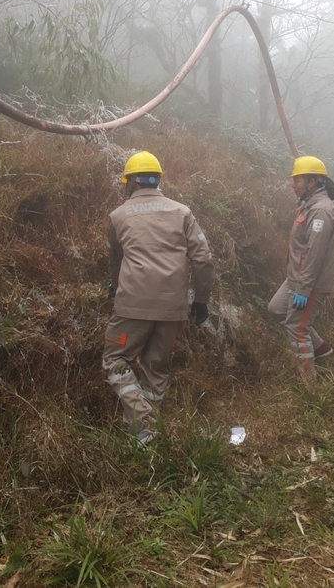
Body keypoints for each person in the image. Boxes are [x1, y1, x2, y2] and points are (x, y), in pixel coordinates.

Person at [103, 151, 215, 447]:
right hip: (173, 308)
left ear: (129, 183)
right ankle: (145, 440)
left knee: (115, 360)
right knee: (156, 368)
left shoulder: (118, 216)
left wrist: (116, 288)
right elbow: (203, 260)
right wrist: (201, 300)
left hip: (132, 306)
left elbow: (115, 261)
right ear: (158, 180)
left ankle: (145, 425)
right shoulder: (182, 212)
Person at [268, 155, 334, 383]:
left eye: (297, 180)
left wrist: (304, 288)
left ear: (312, 182)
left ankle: (309, 387)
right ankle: (320, 349)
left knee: (297, 328)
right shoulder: (309, 206)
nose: (293, 184)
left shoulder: (321, 211)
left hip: (311, 283)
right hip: (296, 278)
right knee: (275, 309)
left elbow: (314, 254)